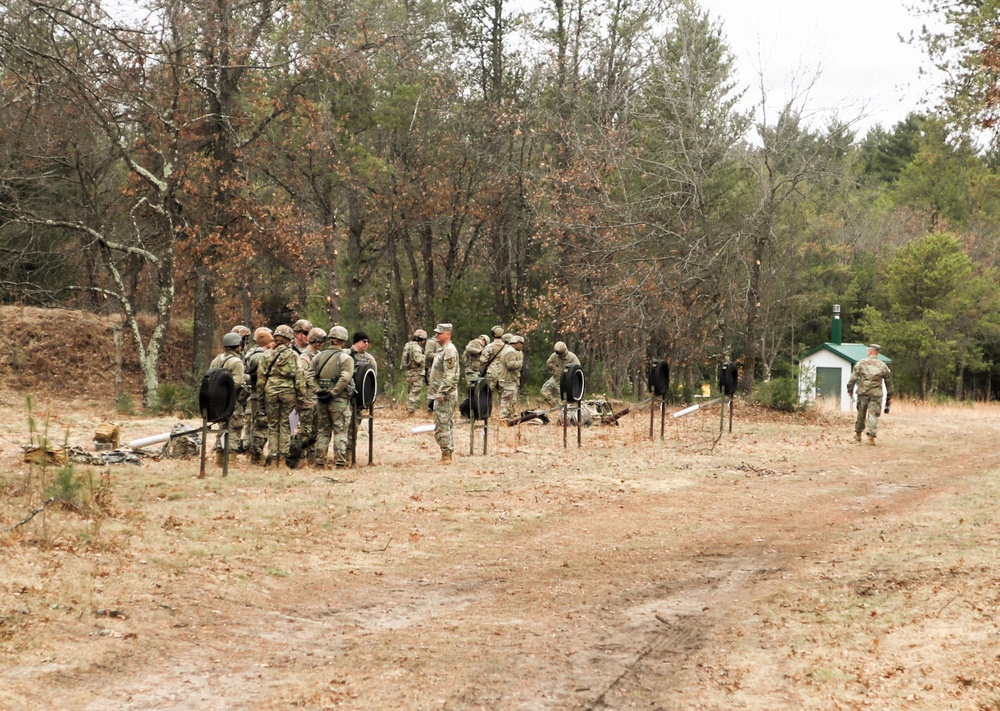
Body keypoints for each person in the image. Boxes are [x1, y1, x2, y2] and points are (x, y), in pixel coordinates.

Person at [257, 324, 305, 467]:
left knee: (272, 425)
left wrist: (260, 397)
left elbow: (261, 379)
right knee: (286, 425)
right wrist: (301, 398)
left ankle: (272, 459)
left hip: (270, 391)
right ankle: (283, 460)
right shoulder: (294, 355)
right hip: (288, 393)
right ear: (289, 339)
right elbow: (300, 378)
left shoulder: (266, 355)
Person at [312, 326, 355, 468]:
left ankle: (319, 462)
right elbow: (345, 378)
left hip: (321, 400)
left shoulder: (318, 356)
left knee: (323, 430)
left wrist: (319, 391)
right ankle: (340, 463)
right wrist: (333, 393)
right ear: (343, 340)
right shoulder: (345, 358)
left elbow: (309, 376)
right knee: (340, 431)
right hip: (339, 400)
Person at [209, 332, 245, 466]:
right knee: (235, 428)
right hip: (233, 400)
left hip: (219, 400)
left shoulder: (216, 359)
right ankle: (231, 460)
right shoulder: (236, 362)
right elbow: (237, 383)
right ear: (237, 346)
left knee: (222, 427)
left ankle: (219, 458)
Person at [291, 327, 326, 466]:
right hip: (307, 399)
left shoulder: (320, 355)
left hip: (316, 398)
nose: (320, 344)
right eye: (318, 341)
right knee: (305, 429)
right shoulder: (305, 357)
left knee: (316, 429)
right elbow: (303, 377)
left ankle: (311, 456)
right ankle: (297, 456)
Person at [847, 343, 893, 445]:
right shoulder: (883, 365)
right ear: (877, 353)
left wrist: (850, 390)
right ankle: (871, 437)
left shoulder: (861, 363)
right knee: (873, 415)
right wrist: (890, 396)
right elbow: (889, 382)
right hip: (876, 394)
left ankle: (858, 434)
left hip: (863, 393)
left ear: (870, 351)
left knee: (861, 414)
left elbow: (853, 379)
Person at [428, 323, 460, 463]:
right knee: (444, 423)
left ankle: (446, 454)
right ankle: (447, 452)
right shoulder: (443, 350)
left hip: (445, 394)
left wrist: (442, 392)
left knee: (442, 424)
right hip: (440, 393)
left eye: (439, 333)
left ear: (447, 334)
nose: (436, 335)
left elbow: (449, 375)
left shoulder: (449, 351)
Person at [244, 327, 273, 463]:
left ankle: (253, 452)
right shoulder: (260, 356)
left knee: (256, 425)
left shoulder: (253, 352)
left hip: (256, 394)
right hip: (259, 394)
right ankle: (256, 454)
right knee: (261, 425)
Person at [541, 341, 580, 406]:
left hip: (565, 382)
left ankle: (561, 410)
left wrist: (568, 372)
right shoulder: (554, 356)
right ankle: (554, 404)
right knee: (544, 391)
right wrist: (554, 367)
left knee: (563, 401)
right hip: (555, 379)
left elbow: (578, 370)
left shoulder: (572, 357)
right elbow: (548, 363)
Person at [400, 329, 428, 414]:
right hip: (416, 372)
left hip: (409, 372)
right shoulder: (416, 348)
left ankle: (409, 409)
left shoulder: (408, 345)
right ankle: (410, 410)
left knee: (410, 391)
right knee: (415, 392)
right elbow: (418, 360)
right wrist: (425, 357)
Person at [497, 334, 524, 418]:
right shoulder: (511, 351)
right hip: (508, 379)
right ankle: (504, 416)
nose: (521, 345)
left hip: (507, 378)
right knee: (508, 398)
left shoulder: (507, 350)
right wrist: (519, 362)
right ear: (516, 343)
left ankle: (509, 414)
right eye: (521, 343)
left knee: (510, 398)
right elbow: (510, 365)